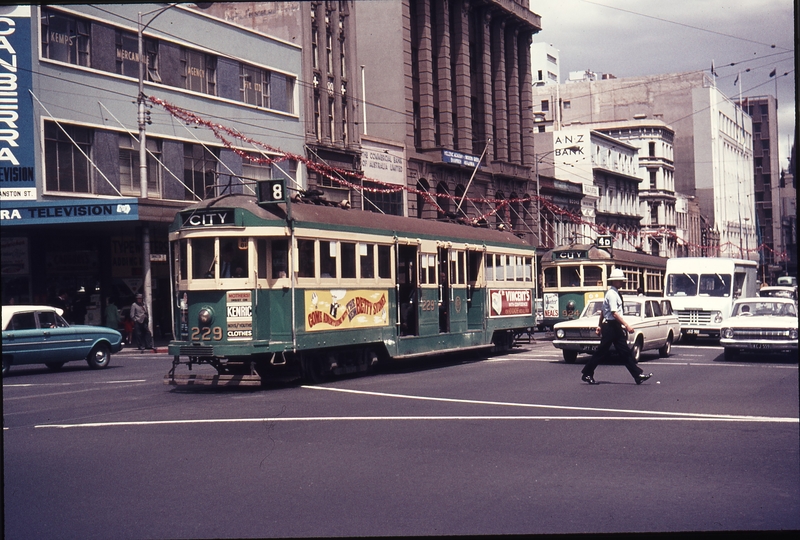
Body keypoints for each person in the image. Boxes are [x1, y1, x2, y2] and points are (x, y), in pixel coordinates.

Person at [581, 268, 652, 385]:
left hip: (613, 326)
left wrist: (599, 326)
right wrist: (626, 325)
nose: (622, 282)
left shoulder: (614, 294)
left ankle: (637, 375)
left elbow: (603, 311)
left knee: (624, 351)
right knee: (602, 352)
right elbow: (614, 313)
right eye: (620, 280)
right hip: (611, 327)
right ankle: (587, 373)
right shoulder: (612, 295)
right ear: (614, 281)